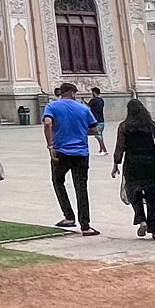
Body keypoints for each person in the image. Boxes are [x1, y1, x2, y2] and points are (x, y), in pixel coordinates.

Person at [42, 82, 106, 236]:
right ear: (72, 93)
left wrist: (50, 145)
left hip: (60, 151)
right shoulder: (83, 109)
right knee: (81, 186)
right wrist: (80, 131)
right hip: (80, 152)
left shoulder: (52, 107)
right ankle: (85, 225)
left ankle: (69, 216)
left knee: (58, 181)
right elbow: (94, 129)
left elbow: (47, 123)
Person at [111, 97, 155, 241]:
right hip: (151, 161)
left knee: (134, 192)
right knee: (154, 197)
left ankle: (141, 219)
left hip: (132, 162)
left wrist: (116, 164)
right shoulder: (150, 125)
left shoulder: (124, 126)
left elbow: (120, 146)